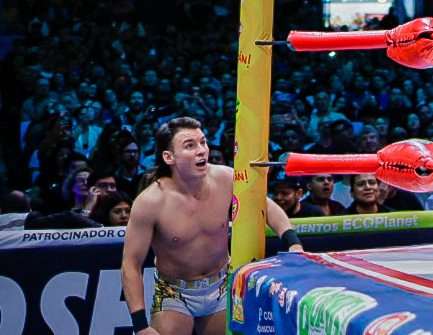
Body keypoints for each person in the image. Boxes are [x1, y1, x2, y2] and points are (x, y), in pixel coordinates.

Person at [120, 117, 303, 335]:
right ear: (169, 157)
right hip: (174, 292)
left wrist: (293, 242)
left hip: (222, 284)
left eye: (203, 142)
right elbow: (130, 264)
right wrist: (140, 326)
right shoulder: (150, 202)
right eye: (190, 145)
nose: (201, 151)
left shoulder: (226, 178)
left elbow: (264, 206)